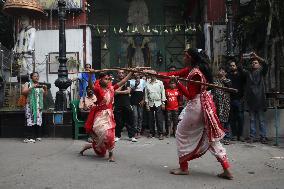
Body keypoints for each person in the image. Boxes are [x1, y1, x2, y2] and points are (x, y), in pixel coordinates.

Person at [166, 48, 233, 180]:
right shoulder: (193, 69)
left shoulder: (195, 73)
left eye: (185, 56)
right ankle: (227, 169)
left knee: (180, 132)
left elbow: (190, 96)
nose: (183, 58)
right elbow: (174, 73)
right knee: (211, 138)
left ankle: (183, 167)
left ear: (190, 58)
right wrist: (154, 73)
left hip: (197, 106)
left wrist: (178, 83)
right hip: (204, 106)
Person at [79, 70, 134, 162]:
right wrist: (90, 74)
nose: (108, 80)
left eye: (109, 79)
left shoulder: (112, 88)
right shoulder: (98, 89)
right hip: (100, 116)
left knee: (110, 135)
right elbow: (91, 86)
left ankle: (111, 155)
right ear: (100, 80)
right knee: (103, 137)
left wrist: (131, 72)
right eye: (105, 79)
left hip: (109, 115)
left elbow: (124, 81)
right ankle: (88, 146)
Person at [242, 53, 268, 144]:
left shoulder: (261, 72)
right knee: (252, 120)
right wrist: (244, 58)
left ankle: (263, 136)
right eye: (253, 62)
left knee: (261, 120)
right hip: (251, 101)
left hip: (260, 99)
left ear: (259, 64)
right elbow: (241, 68)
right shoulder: (248, 73)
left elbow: (266, 63)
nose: (254, 64)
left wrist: (257, 57)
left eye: (256, 62)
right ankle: (252, 137)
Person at [21, 72, 48, 143]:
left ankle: (36, 136)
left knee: (38, 121)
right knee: (30, 121)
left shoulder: (39, 85)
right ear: (31, 77)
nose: (36, 77)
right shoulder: (28, 83)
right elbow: (23, 92)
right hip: (30, 106)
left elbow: (44, 95)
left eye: (37, 76)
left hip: (38, 107)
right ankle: (29, 137)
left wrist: (45, 89)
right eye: (35, 76)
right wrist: (32, 87)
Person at [113, 70, 137, 142]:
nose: (121, 74)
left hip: (126, 103)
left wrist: (119, 91)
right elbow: (115, 93)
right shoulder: (114, 82)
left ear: (124, 74)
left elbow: (128, 91)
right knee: (118, 120)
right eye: (119, 73)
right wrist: (123, 84)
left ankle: (132, 136)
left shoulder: (128, 82)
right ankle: (117, 135)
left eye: (122, 73)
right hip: (117, 103)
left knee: (130, 120)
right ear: (117, 74)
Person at [144, 70, 166, 140]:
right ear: (150, 75)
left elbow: (163, 92)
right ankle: (151, 132)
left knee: (159, 118)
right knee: (150, 119)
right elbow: (146, 95)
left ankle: (160, 133)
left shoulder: (160, 83)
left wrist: (163, 103)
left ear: (156, 75)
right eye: (151, 75)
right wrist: (146, 104)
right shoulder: (147, 83)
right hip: (150, 103)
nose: (152, 76)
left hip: (158, 102)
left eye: (154, 75)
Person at [212, 67, 232, 145]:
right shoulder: (215, 81)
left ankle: (227, 137)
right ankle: (218, 136)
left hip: (225, 103)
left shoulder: (228, 80)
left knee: (225, 120)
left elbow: (229, 86)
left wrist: (223, 79)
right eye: (220, 70)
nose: (220, 72)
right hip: (217, 103)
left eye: (222, 71)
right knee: (217, 120)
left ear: (225, 73)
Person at [227, 60, 246, 141]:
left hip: (239, 99)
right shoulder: (228, 76)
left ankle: (240, 135)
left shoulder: (241, 75)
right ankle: (234, 135)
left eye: (233, 65)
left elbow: (245, 78)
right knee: (232, 118)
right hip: (230, 99)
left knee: (240, 118)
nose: (232, 67)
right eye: (231, 66)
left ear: (236, 66)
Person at [130, 73, 146, 138]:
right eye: (135, 75)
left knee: (140, 116)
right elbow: (130, 92)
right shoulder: (131, 81)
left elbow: (145, 91)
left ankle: (139, 131)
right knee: (135, 116)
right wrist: (135, 85)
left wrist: (143, 100)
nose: (137, 76)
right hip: (133, 101)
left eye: (138, 74)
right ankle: (135, 131)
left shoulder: (143, 81)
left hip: (140, 101)